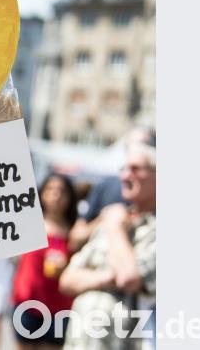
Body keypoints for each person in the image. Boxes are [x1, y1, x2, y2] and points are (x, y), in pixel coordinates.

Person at [59, 143, 156, 350]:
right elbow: (67, 280)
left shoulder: (150, 229)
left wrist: (114, 227)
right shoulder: (116, 218)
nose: (125, 176)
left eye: (136, 169)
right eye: (124, 168)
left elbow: (129, 278)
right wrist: (108, 278)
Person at [11, 174, 79, 350]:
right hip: (28, 302)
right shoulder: (28, 224)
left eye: (62, 191)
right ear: (42, 193)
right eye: (51, 190)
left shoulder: (76, 231)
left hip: (59, 308)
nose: (56, 195)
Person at [68, 128, 155, 251]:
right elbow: (75, 238)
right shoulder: (106, 185)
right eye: (130, 144)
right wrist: (107, 219)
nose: (127, 175)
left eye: (145, 144)